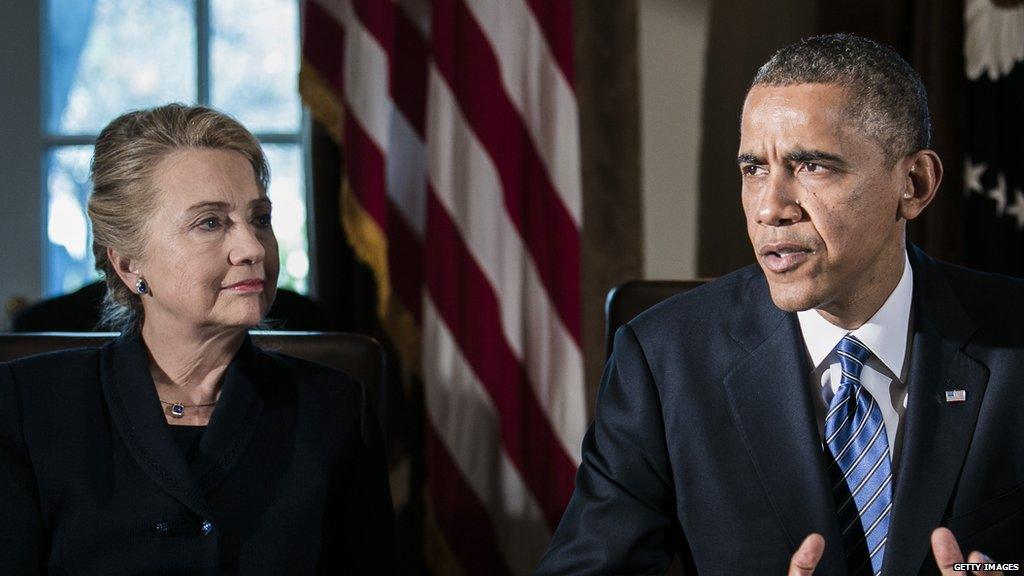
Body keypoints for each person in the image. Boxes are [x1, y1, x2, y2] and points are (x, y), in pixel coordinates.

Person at [536, 34, 1024, 576]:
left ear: (913, 184)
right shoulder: (663, 359)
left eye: (812, 166)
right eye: (754, 169)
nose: (770, 207)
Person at [0, 104, 396, 575]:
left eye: (260, 219)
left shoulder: (335, 409)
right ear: (129, 264)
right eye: (210, 222)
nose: (252, 248)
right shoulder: (25, 406)